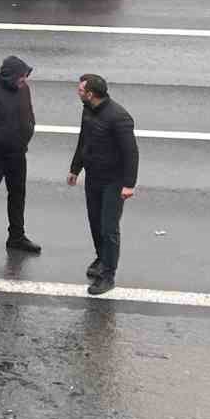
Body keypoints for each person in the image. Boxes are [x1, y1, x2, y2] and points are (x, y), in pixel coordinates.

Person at [68, 74, 139, 296]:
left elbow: (131, 152)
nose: (78, 92)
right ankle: (101, 258)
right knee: (95, 222)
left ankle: (108, 275)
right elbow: (83, 140)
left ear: (91, 94)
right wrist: (75, 168)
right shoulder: (88, 109)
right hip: (93, 176)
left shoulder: (119, 117)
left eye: (81, 90)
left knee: (109, 228)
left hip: (114, 181)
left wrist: (129, 184)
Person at [0, 55, 41, 254]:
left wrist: (30, 126)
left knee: (18, 194)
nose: (24, 80)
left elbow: (28, 111)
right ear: (9, 76)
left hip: (17, 153)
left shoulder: (23, 89)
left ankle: (16, 236)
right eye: (21, 76)